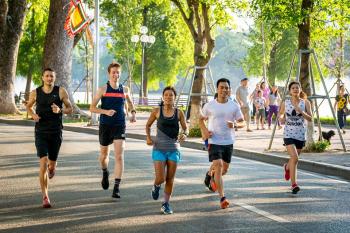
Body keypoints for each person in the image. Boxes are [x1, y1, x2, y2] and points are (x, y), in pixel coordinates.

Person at [26, 68, 73, 208]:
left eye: (51, 76)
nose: (49, 78)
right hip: (41, 132)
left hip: (55, 132)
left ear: (54, 77)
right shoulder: (36, 92)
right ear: (42, 78)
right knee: (43, 163)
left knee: (51, 164)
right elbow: (28, 107)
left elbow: (70, 108)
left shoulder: (61, 91)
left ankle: (52, 168)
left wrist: (60, 110)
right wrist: (33, 115)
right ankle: (45, 196)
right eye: (47, 76)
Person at [90, 62, 136, 199]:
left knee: (119, 156)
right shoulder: (103, 89)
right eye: (113, 72)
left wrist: (133, 113)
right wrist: (105, 111)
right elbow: (92, 108)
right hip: (105, 125)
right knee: (104, 156)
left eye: (118, 72)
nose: (116, 75)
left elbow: (130, 104)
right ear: (109, 74)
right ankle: (105, 172)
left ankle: (116, 187)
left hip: (119, 125)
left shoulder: (125, 89)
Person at [200, 78, 245, 209]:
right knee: (218, 165)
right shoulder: (210, 105)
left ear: (229, 90)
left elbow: (243, 122)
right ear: (217, 89)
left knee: (224, 170)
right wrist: (204, 131)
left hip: (228, 141)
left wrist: (235, 124)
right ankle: (222, 198)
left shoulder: (234, 105)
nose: (224, 90)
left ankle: (210, 174)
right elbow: (200, 119)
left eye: (227, 88)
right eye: (222, 87)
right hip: (214, 141)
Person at [145, 86, 188, 214]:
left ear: (174, 97)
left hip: (174, 149)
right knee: (161, 178)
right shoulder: (156, 111)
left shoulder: (179, 112)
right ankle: (156, 185)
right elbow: (148, 125)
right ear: (163, 97)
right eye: (166, 95)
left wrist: (184, 134)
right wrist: (148, 137)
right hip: (159, 148)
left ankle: (166, 203)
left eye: (171, 95)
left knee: (170, 179)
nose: (169, 97)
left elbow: (186, 128)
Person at [278, 81, 312, 194]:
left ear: (300, 89)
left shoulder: (306, 103)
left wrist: (301, 111)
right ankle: (294, 184)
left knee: (294, 159)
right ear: (290, 91)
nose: (295, 89)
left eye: (297, 88)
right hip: (288, 134)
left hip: (301, 135)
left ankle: (287, 167)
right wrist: (282, 118)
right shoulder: (285, 103)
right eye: (293, 88)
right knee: (295, 158)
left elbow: (311, 118)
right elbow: (281, 114)